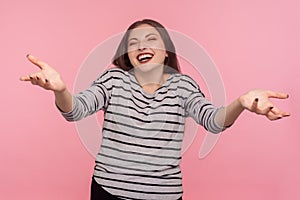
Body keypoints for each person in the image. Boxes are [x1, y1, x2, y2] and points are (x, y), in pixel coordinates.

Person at [20, 19, 290, 200]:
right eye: (133, 43)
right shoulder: (112, 80)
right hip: (108, 192)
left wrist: (241, 103)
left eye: (151, 40)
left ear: (165, 52)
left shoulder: (183, 86)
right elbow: (76, 110)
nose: (142, 46)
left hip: (164, 196)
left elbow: (213, 120)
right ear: (127, 53)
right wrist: (60, 91)